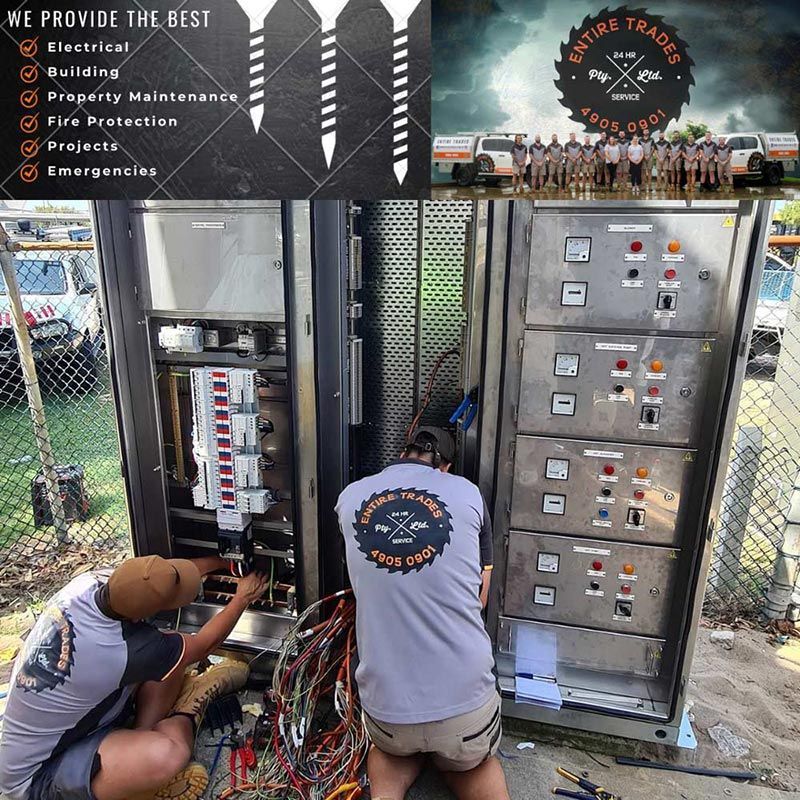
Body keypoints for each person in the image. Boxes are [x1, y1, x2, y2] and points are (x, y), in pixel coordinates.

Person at [0, 555, 267, 800]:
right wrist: (242, 598)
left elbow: (156, 575)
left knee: (172, 660)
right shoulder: (121, 651)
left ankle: (138, 739)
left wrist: (223, 560)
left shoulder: (89, 583)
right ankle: (184, 714)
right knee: (168, 754)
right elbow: (205, 645)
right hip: (36, 778)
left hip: (69, 722)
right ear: (140, 614)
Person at [335, 427, 508, 800]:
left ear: (402, 454)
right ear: (443, 467)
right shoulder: (468, 493)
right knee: (472, 762)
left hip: (389, 714)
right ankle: (452, 760)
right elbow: (480, 597)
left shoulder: (349, 498)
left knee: (391, 752)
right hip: (466, 714)